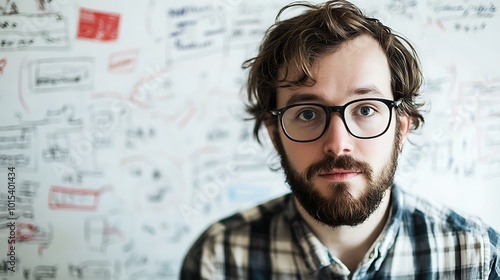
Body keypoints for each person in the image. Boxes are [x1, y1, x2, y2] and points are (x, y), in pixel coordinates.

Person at [180, 0, 500, 279]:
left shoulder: (477, 257)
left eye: (365, 109)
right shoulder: (219, 258)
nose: (338, 143)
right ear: (274, 134)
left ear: (401, 129)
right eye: (307, 113)